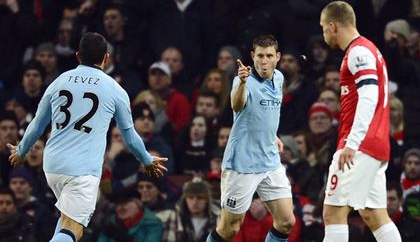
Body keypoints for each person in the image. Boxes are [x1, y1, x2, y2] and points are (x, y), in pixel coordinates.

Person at [7, 32, 168, 242]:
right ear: (106, 58)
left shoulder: (58, 81)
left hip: (53, 165)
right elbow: (129, 135)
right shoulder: (115, 89)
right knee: (75, 229)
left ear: (77, 56)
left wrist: (21, 151)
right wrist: (147, 160)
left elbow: (38, 123)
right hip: (83, 170)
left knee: (66, 222)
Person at [319, 1, 402, 242]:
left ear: (333, 26)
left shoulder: (358, 52)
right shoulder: (370, 50)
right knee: (374, 215)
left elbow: (369, 96)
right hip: (375, 144)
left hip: (360, 146)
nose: (324, 33)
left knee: (333, 212)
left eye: (324, 28)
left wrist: (352, 143)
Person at [206, 35, 295, 242]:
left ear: (277, 57)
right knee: (230, 228)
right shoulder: (241, 80)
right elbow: (237, 106)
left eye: (269, 56)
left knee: (286, 221)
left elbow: (266, 112)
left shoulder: (279, 78)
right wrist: (243, 83)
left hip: (270, 161)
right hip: (242, 164)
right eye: (260, 56)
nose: (264, 61)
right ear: (253, 56)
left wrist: (272, 135)